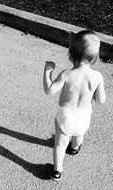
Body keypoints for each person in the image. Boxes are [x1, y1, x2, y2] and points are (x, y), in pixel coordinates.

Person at [43, 30, 106, 181]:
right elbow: (100, 100)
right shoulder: (97, 77)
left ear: (71, 54)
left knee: (59, 144)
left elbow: (49, 90)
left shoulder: (66, 74)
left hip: (66, 116)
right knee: (79, 134)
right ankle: (74, 148)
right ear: (95, 58)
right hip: (83, 117)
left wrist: (47, 71)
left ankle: (57, 171)